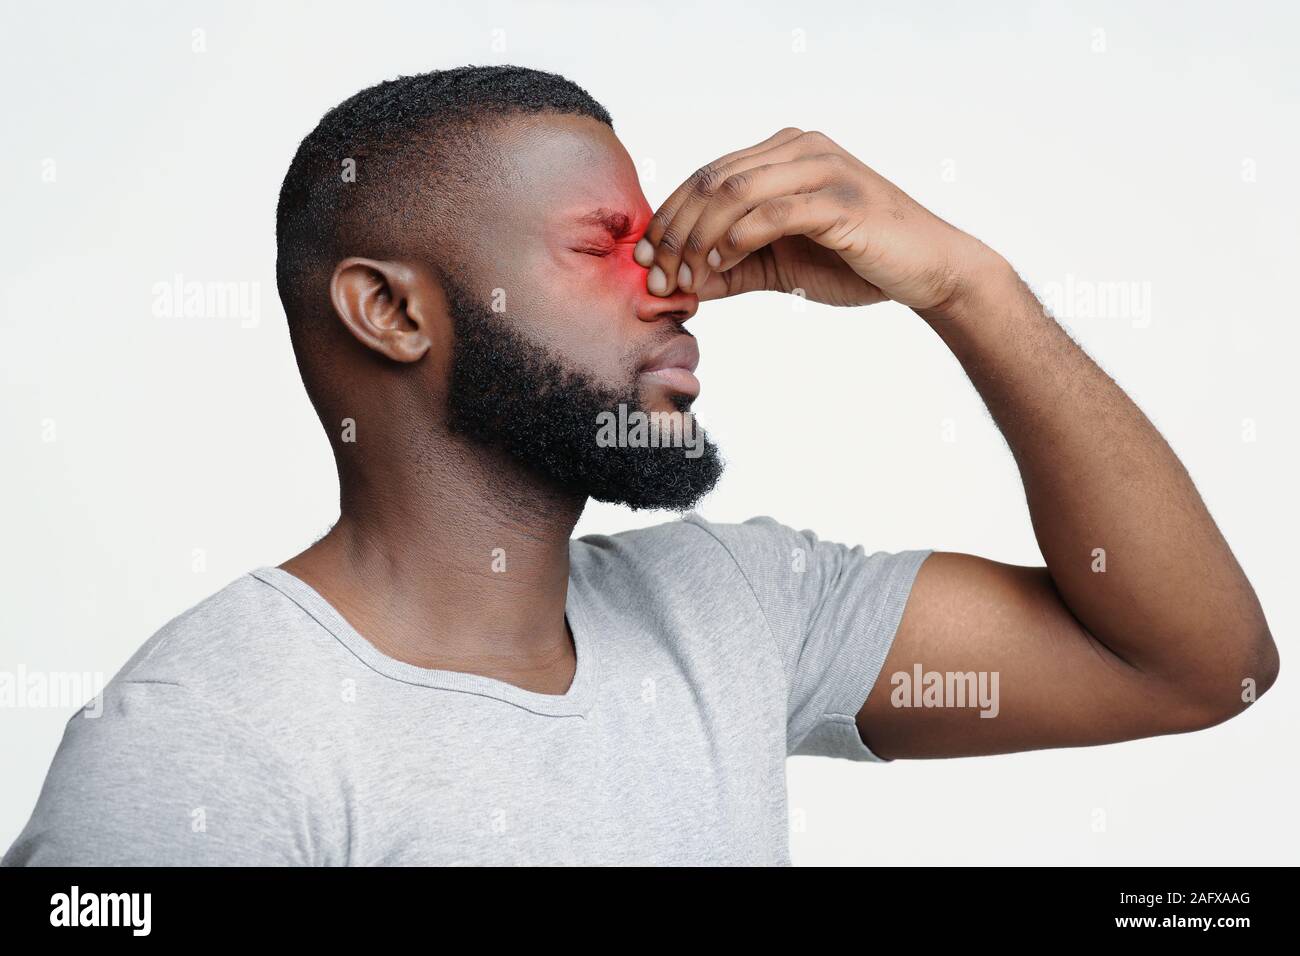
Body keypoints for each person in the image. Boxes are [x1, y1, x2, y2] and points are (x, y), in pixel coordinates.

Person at [3, 65, 1277, 866]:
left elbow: (1194, 661)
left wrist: (965, 285)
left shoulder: (737, 612)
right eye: (605, 247)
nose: (676, 293)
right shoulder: (200, 747)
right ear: (390, 312)